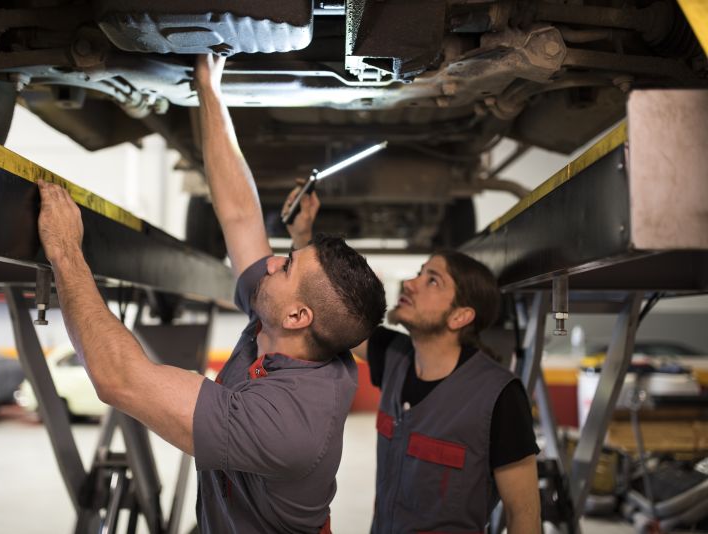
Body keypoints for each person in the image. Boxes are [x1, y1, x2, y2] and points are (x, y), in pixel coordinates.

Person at [36, 54, 386, 534]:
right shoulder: (281, 328)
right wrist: (209, 88)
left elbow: (118, 378)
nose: (269, 262)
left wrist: (65, 254)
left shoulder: (289, 425)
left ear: (299, 316)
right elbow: (240, 216)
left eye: (285, 266)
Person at [284, 187, 542, 533]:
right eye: (420, 272)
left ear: (460, 316)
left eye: (432, 280)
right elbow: (329, 312)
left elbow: (524, 516)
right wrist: (302, 236)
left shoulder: (499, 396)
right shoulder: (394, 356)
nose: (411, 282)